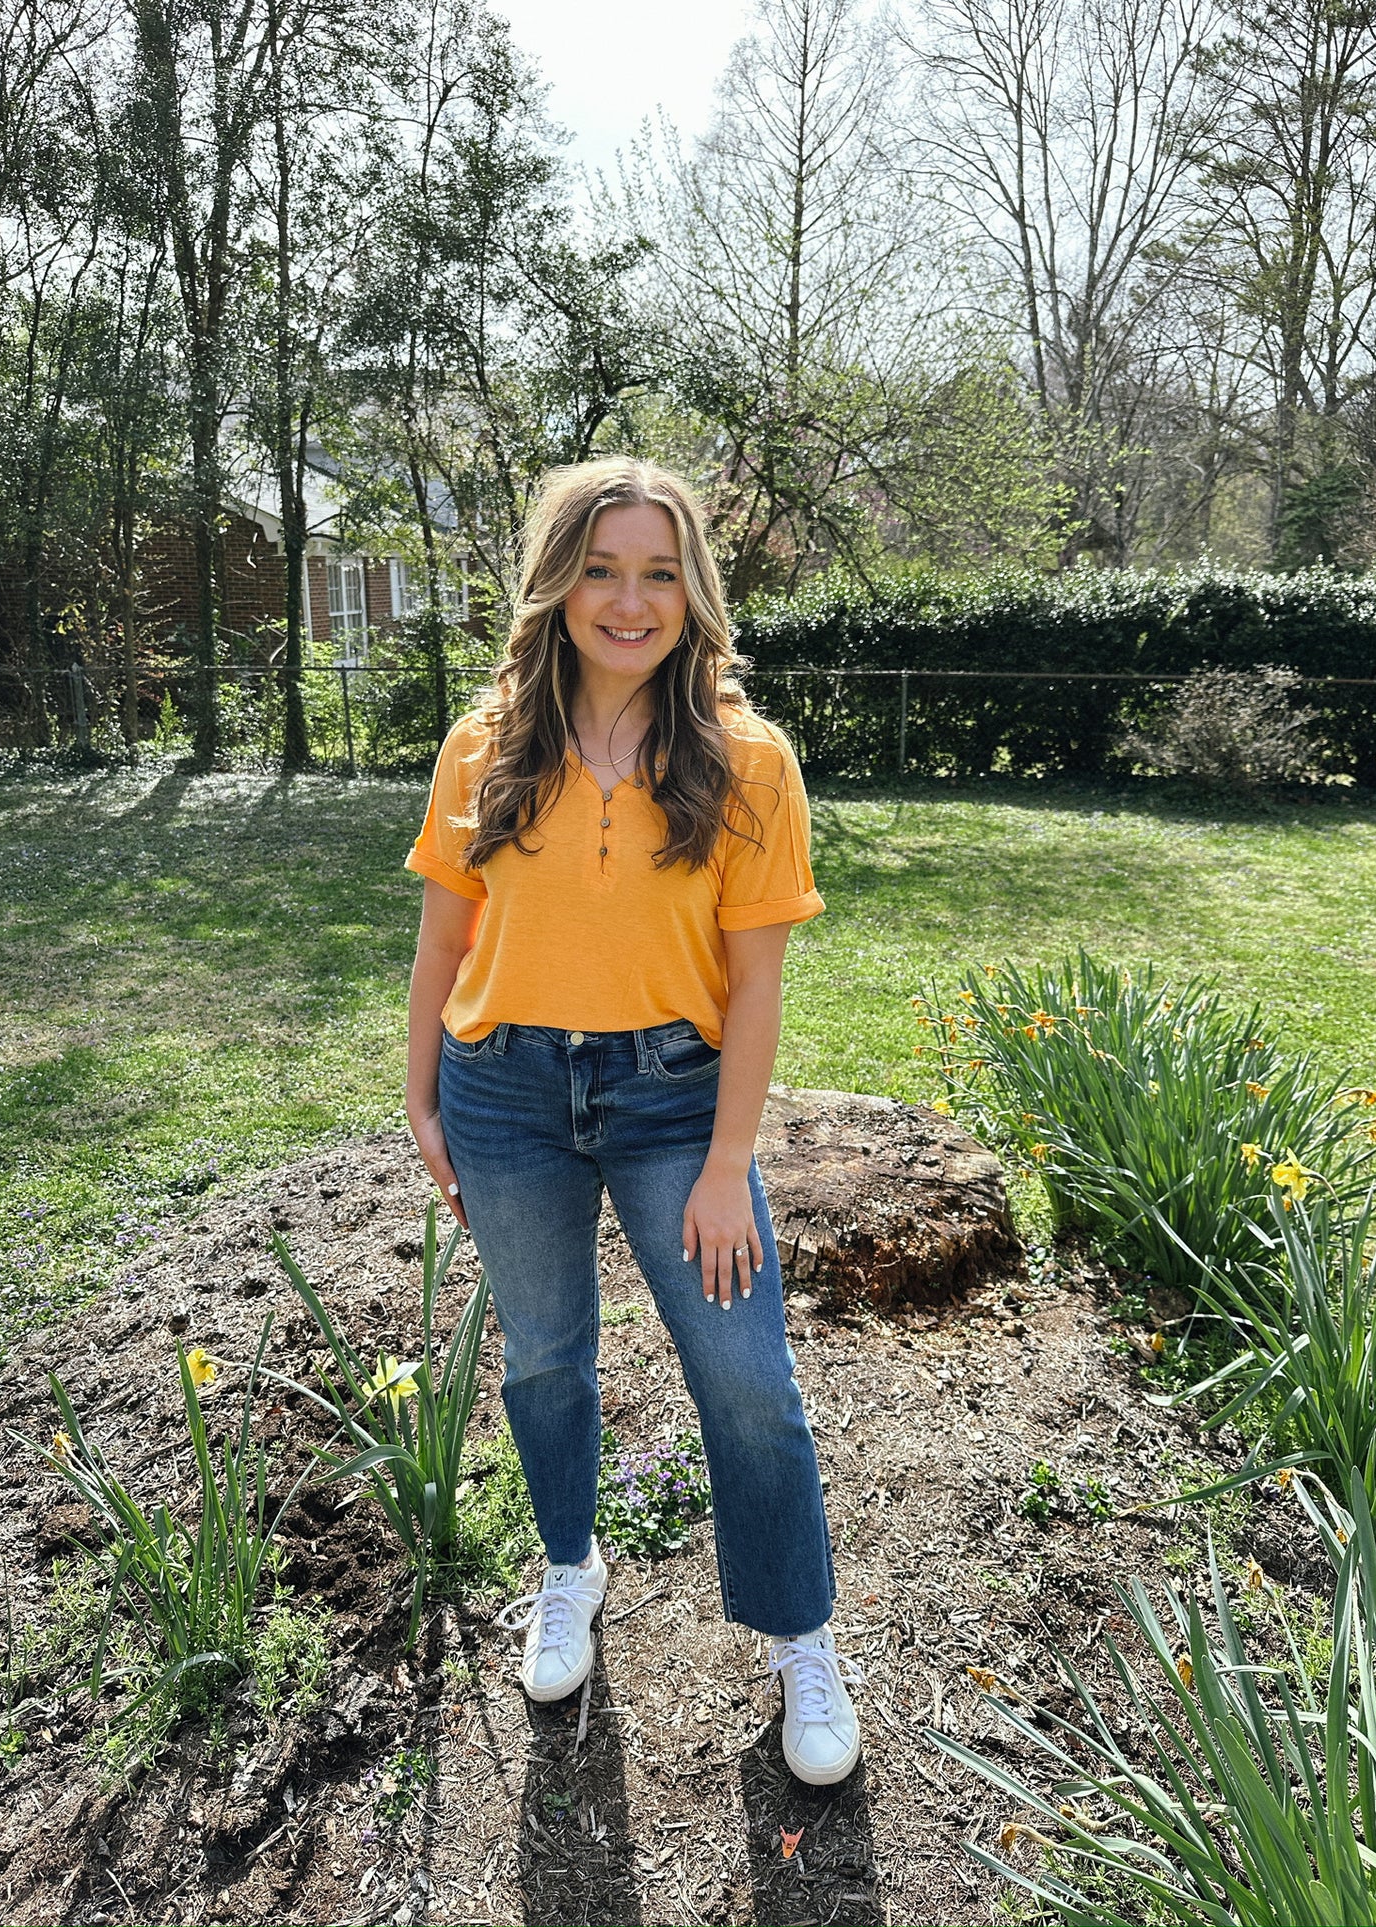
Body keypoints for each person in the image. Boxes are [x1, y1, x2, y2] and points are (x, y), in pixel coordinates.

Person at [402, 456, 861, 1786]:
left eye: (658, 571)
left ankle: (797, 1642)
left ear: (693, 589)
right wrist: (421, 1092)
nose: (628, 599)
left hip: (673, 1100)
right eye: (600, 567)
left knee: (747, 1381)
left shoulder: (747, 759)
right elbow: (442, 941)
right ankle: (568, 1568)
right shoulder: (485, 742)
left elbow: (757, 978)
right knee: (544, 1360)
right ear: (555, 583)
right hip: (505, 1095)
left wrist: (726, 1163)